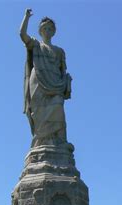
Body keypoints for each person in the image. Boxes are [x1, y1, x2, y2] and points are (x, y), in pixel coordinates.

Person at [20, 8, 72, 148]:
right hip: (38, 82)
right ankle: (41, 143)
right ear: (40, 31)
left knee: (58, 106)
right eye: (45, 28)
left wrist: (67, 81)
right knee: (38, 112)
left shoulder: (59, 51)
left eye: (50, 28)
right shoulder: (36, 45)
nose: (47, 31)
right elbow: (22, 35)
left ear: (54, 32)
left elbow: (62, 71)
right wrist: (26, 17)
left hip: (56, 84)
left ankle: (60, 141)